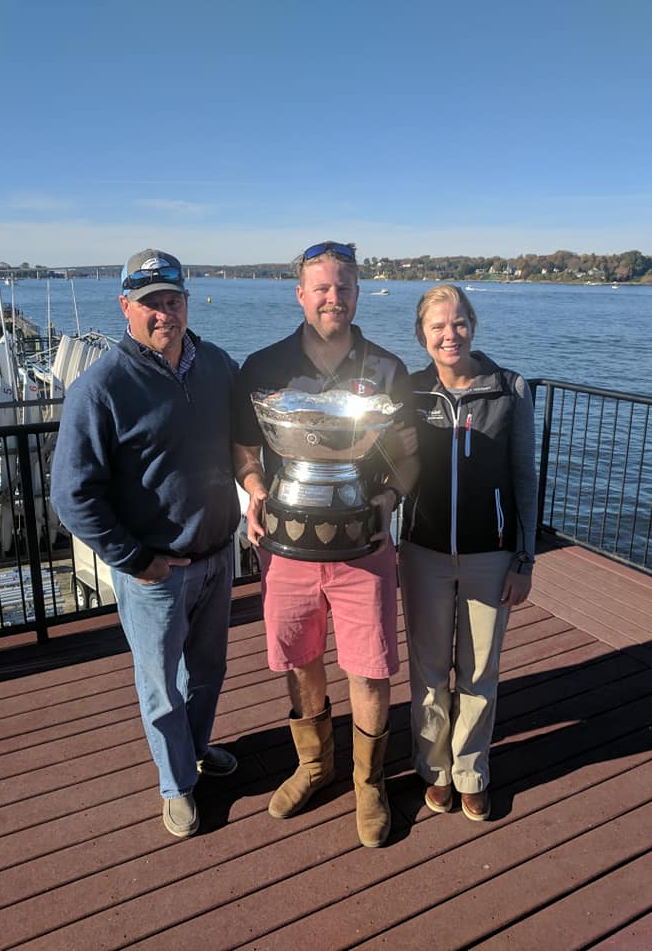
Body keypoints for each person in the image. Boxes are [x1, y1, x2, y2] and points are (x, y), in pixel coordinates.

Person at [234, 241, 419, 848]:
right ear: (301, 295)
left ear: (358, 293)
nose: (332, 297)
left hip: (365, 547)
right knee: (299, 658)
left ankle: (370, 782)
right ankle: (315, 764)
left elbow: (410, 457)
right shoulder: (263, 367)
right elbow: (243, 447)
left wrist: (389, 499)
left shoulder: (388, 369)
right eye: (321, 287)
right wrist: (256, 489)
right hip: (286, 544)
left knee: (368, 669)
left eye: (343, 286)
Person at [51, 248, 241, 839]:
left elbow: (248, 442)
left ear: (188, 302)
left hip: (217, 555)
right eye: (151, 302)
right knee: (160, 685)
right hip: (154, 572)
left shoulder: (218, 367)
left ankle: (199, 750)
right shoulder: (101, 387)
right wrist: (136, 559)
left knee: (207, 671)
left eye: (174, 300)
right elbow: (72, 495)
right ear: (126, 307)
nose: (165, 313)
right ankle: (176, 784)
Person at [399, 284, 537, 821]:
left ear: (472, 326)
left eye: (458, 323)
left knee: (479, 671)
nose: (449, 334)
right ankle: (433, 768)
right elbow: (389, 468)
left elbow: (524, 478)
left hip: (490, 556)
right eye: (437, 326)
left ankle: (470, 769)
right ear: (422, 335)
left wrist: (524, 559)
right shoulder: (408, 394)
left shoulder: (509, 389)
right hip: (422, 552)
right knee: (429, 670)